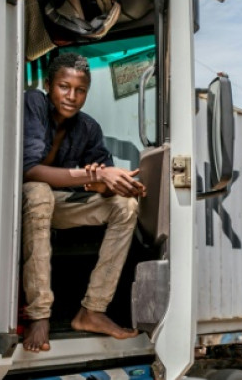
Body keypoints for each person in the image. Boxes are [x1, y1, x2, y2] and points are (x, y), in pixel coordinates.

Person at [22, 52, 146, 352]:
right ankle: (39, 314)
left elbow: (100, 182)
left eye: (81, 90)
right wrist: (90, 175)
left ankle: (92, 311)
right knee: (38, 192)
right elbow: (30, 170)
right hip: (18, 203)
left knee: (124, 207)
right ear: (48, 85)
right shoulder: (33, 103)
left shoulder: (88, 127)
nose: (72, 96)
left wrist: (109, 184)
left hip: (58, 205)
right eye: (64, 87)